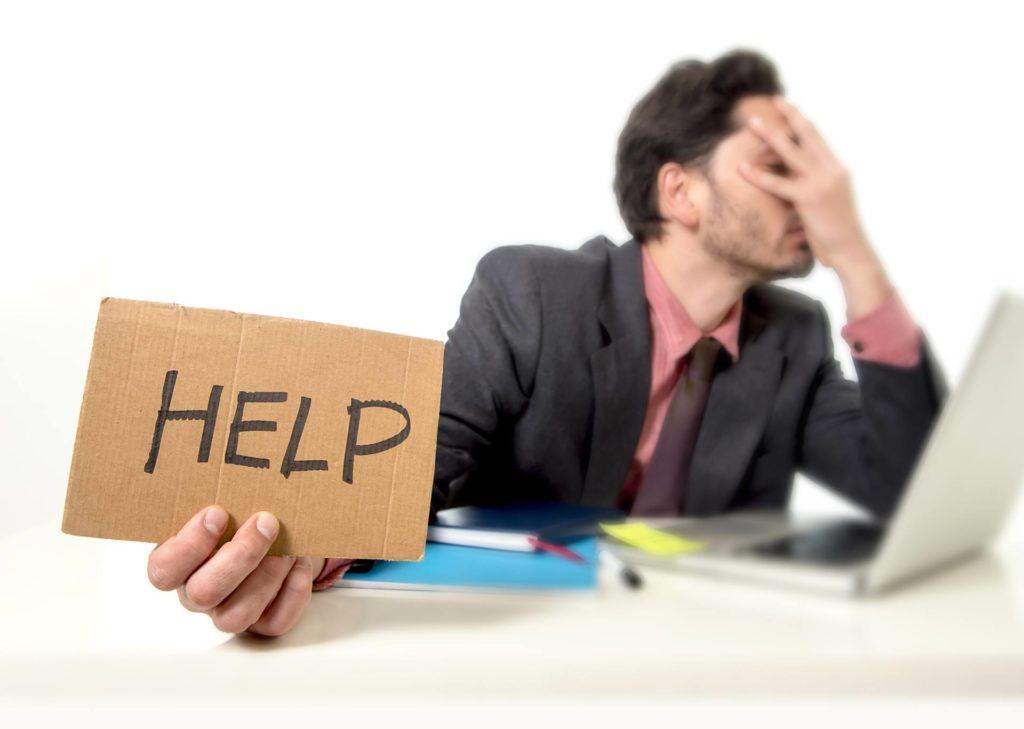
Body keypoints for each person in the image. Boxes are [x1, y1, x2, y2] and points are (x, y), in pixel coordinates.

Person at [147, 49, 946, 637]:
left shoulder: (794, 337)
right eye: (775, 166)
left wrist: (858, 258)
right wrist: (296, 545)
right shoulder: (531, 293)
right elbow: (414, 458)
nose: (812, 190)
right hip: (519, 656)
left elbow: (911, 491)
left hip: (707, 665)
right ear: (682, 192)